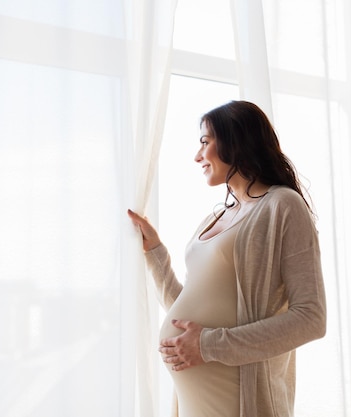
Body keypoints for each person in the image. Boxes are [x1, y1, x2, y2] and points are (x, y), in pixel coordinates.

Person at [127, 100, 326, 417]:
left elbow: (311, 320)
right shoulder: (216, 216)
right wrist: (155, 252)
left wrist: (208, 346)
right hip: (197, 402)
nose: (197, 156)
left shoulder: (282, 205)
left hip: (238, 398)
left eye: (205, 142)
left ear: (235, 140)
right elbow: (188, 311)